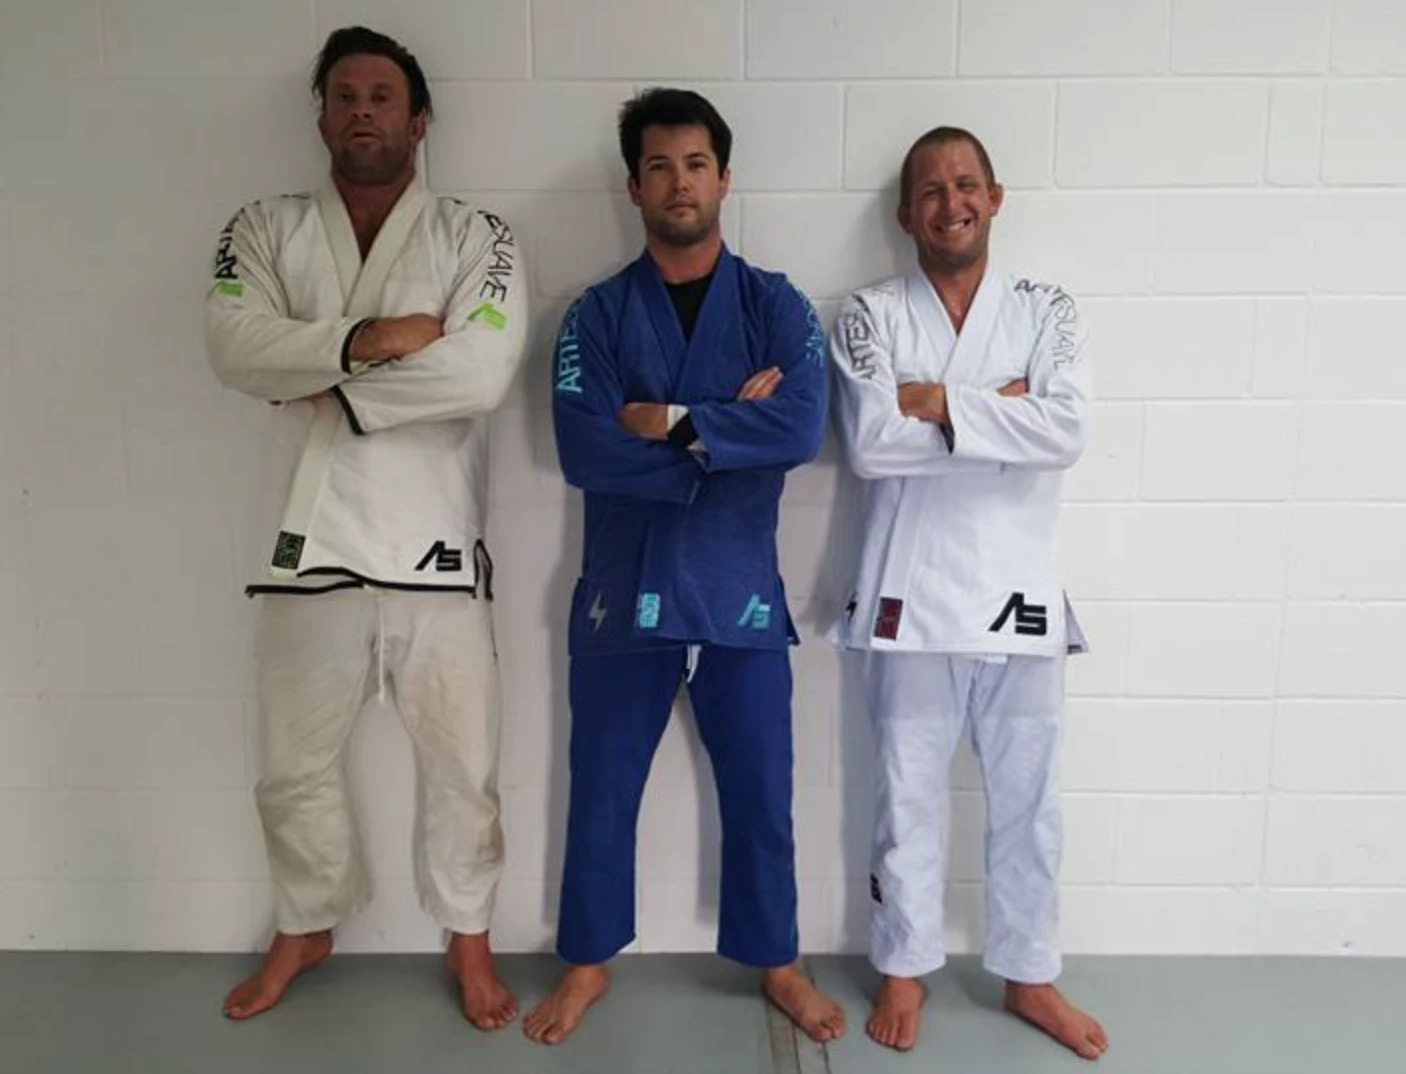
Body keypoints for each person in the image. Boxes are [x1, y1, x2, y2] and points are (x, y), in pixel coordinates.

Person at [204, 26, 527, 1028]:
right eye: (344, 95)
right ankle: (305, 923)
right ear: (321, 116)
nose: (362, 111)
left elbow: (479, 372)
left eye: (382, 97)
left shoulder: (475, 234)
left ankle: (468, 937)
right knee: (289, 766)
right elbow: (234, 345)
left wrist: (324, 386)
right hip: (306, 546)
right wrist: (373, 340)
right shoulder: (263, 228)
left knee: (463, 769)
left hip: (436, 546)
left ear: (418, 121)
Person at [524, 88, 843, 1047]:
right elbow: (585, 451)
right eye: (659, 166)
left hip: (739, 589)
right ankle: (588, 960)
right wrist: (728, 434)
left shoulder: (776, 305)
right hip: (624, 588)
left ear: (724, 178)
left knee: (763, 791)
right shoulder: (594, 315)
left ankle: (778, 959)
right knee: (602, 788)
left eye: (696, 164)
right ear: (634, 186)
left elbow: (801, 427)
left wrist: (668, 422)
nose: (679, 183)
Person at [829, 126, 1108, 1060]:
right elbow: (873, 444)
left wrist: (937, 401)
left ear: (995, 197)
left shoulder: (1047, 309)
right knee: (905, 795)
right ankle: (904, 966)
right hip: (910, 593)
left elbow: (1064, 432)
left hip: (1021, 589)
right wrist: (1002, 406)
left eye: (965, 185)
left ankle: (1030, 972)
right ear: (905, 215)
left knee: (1031, 802)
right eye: (931, 191)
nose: (950, 203)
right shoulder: (869, 315)